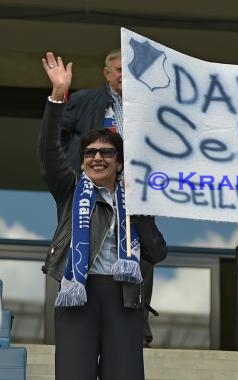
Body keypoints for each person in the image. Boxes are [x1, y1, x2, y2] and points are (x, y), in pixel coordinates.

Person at [38, 52, 167, 380]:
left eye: (106, 153)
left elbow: (157, 251)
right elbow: (49, 149)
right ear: (81, 160)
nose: (97, 158)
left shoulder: (137, 201)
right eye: (89, 153)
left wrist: (135, 207)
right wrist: (57, 94)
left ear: (120, 162)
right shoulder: (69, 189)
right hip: (78, 293)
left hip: (123, 298)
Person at [59, 48, 158, 347]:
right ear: (106, 73)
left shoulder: (148, 109)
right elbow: (58, 132)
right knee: (89, 245)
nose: (122, 77)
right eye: (118, 70)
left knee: (144, 251)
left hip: (136, 190)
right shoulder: (86, 101)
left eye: (128, 72)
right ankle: (82, 315)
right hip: (94, 191)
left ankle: (136, 326)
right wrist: (74, 170)